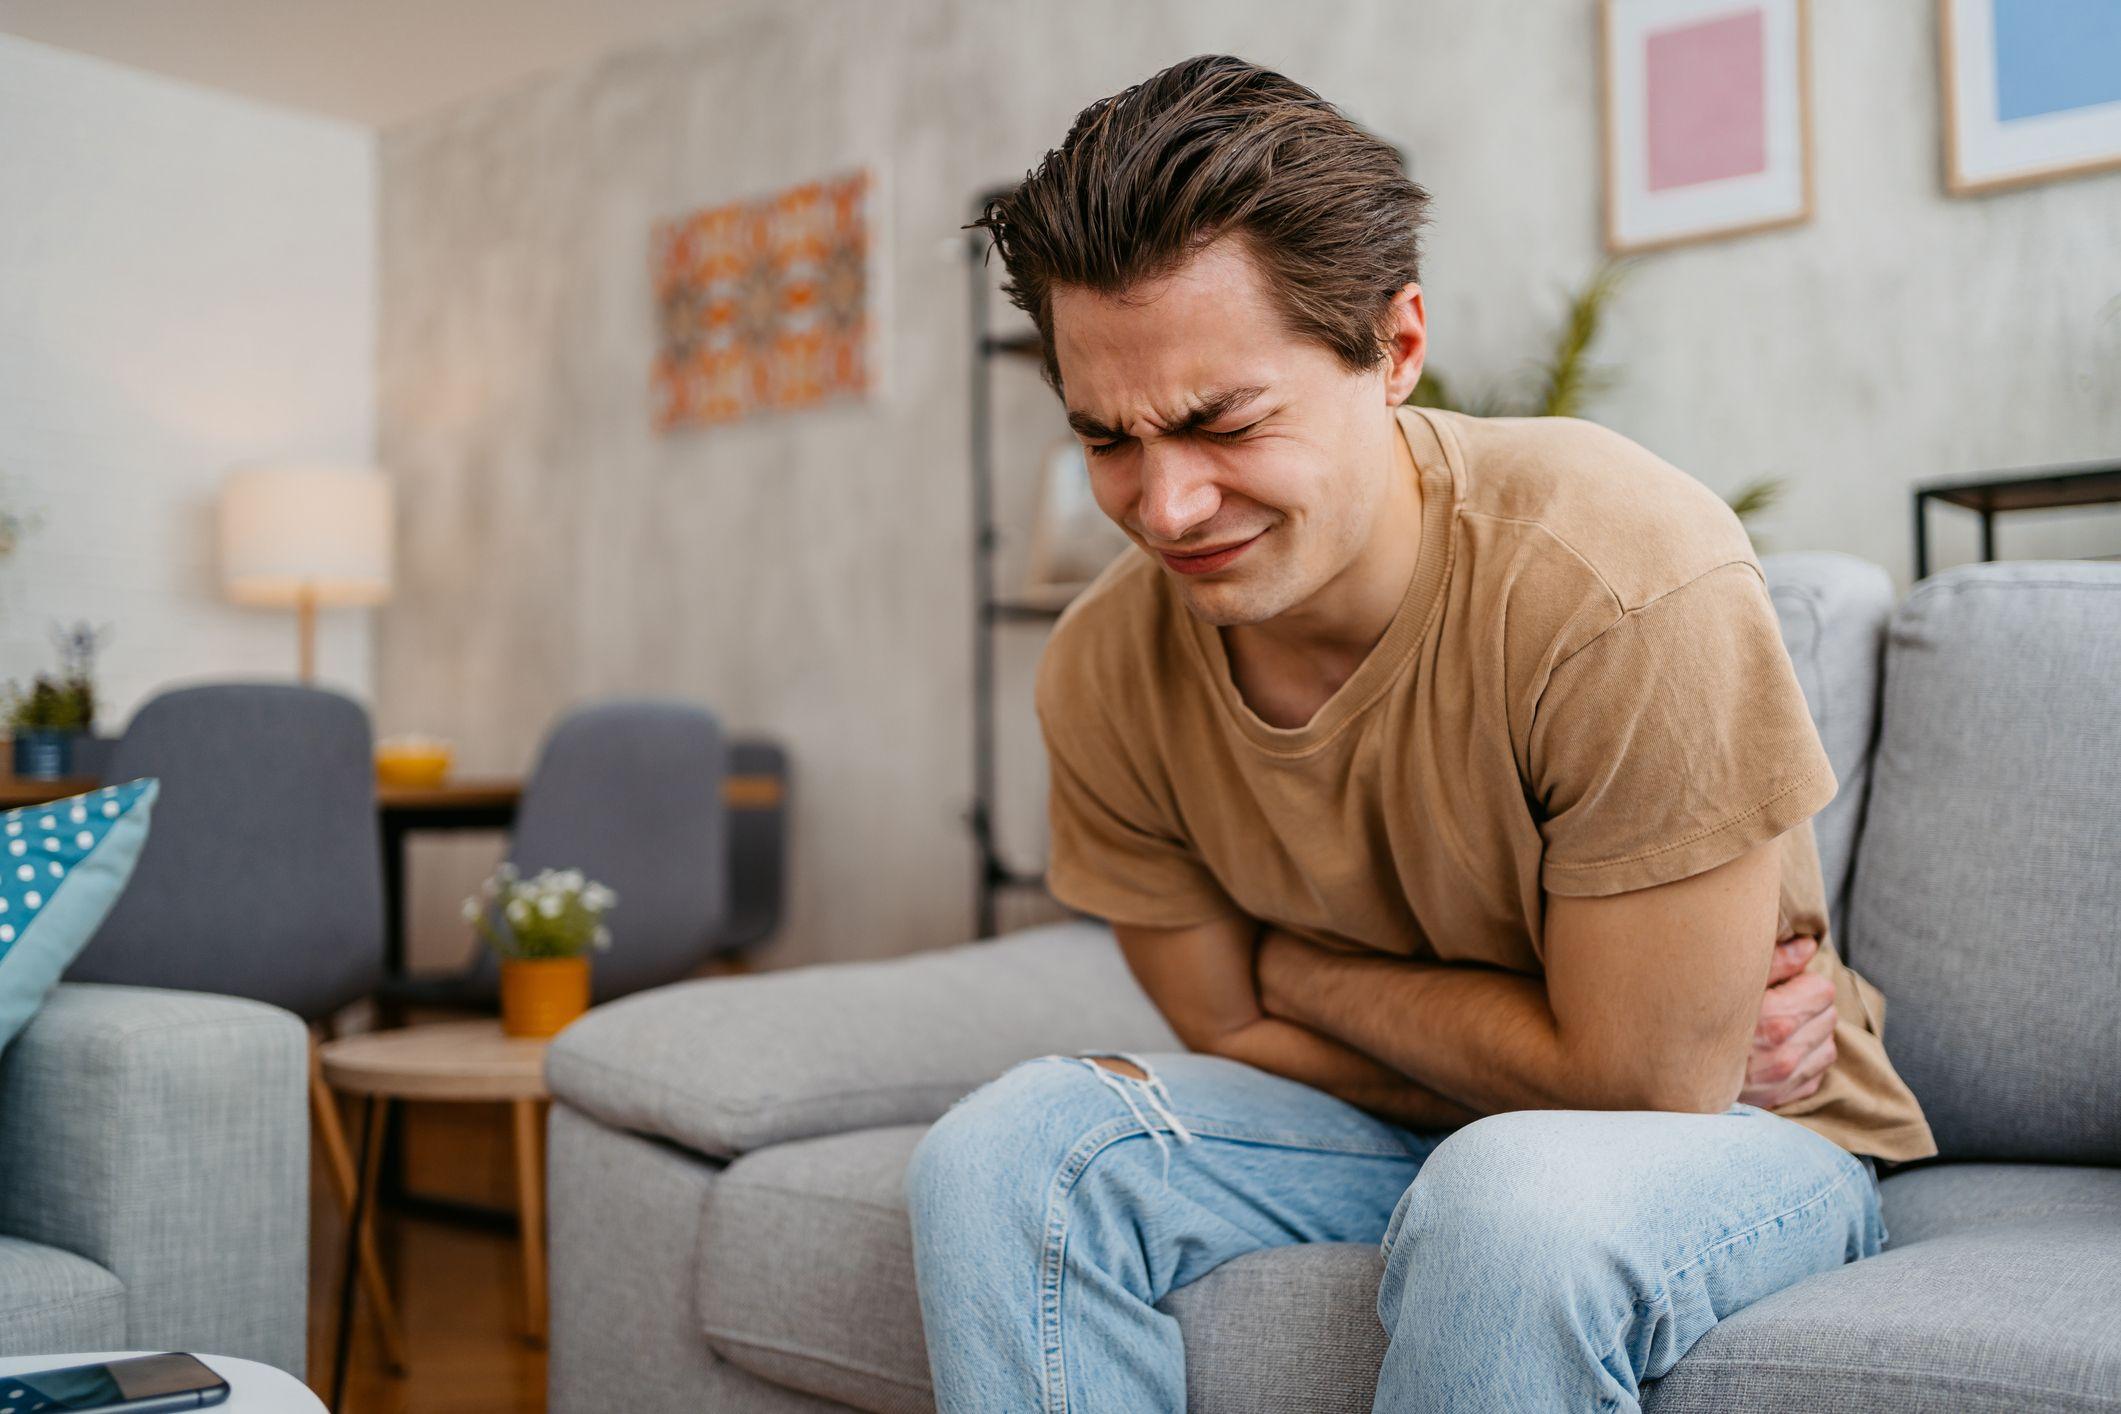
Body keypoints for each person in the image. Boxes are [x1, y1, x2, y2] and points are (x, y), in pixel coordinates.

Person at [904, 54, 1935, 1413]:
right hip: (1394, 1126)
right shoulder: (1103, 662)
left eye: (1221, 421)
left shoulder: (1614, 566)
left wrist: (1295, 972)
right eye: (1106, 439)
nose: (1162, 506)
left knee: (1512, 1196)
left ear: (1393, 349)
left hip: (1748, 1134)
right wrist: (1557, 1046)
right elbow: (1216, 1022)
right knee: (1001, 1155)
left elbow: (1647, 1090)